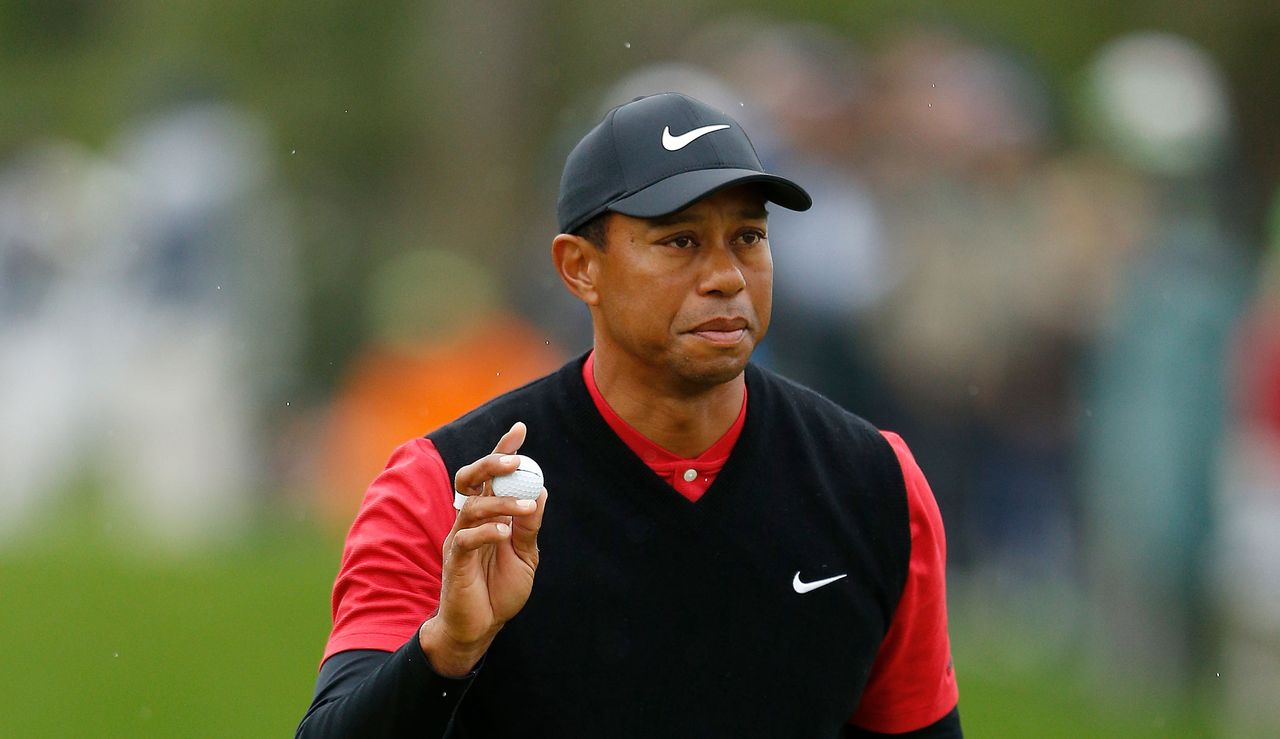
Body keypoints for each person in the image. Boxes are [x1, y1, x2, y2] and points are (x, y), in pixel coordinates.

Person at [297, 93, 961, 737]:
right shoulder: (445, 488)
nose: (727, 274)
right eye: (680, 241)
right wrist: (448, 647)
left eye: (748, 236)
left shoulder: (875, 482)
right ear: (580, 267)